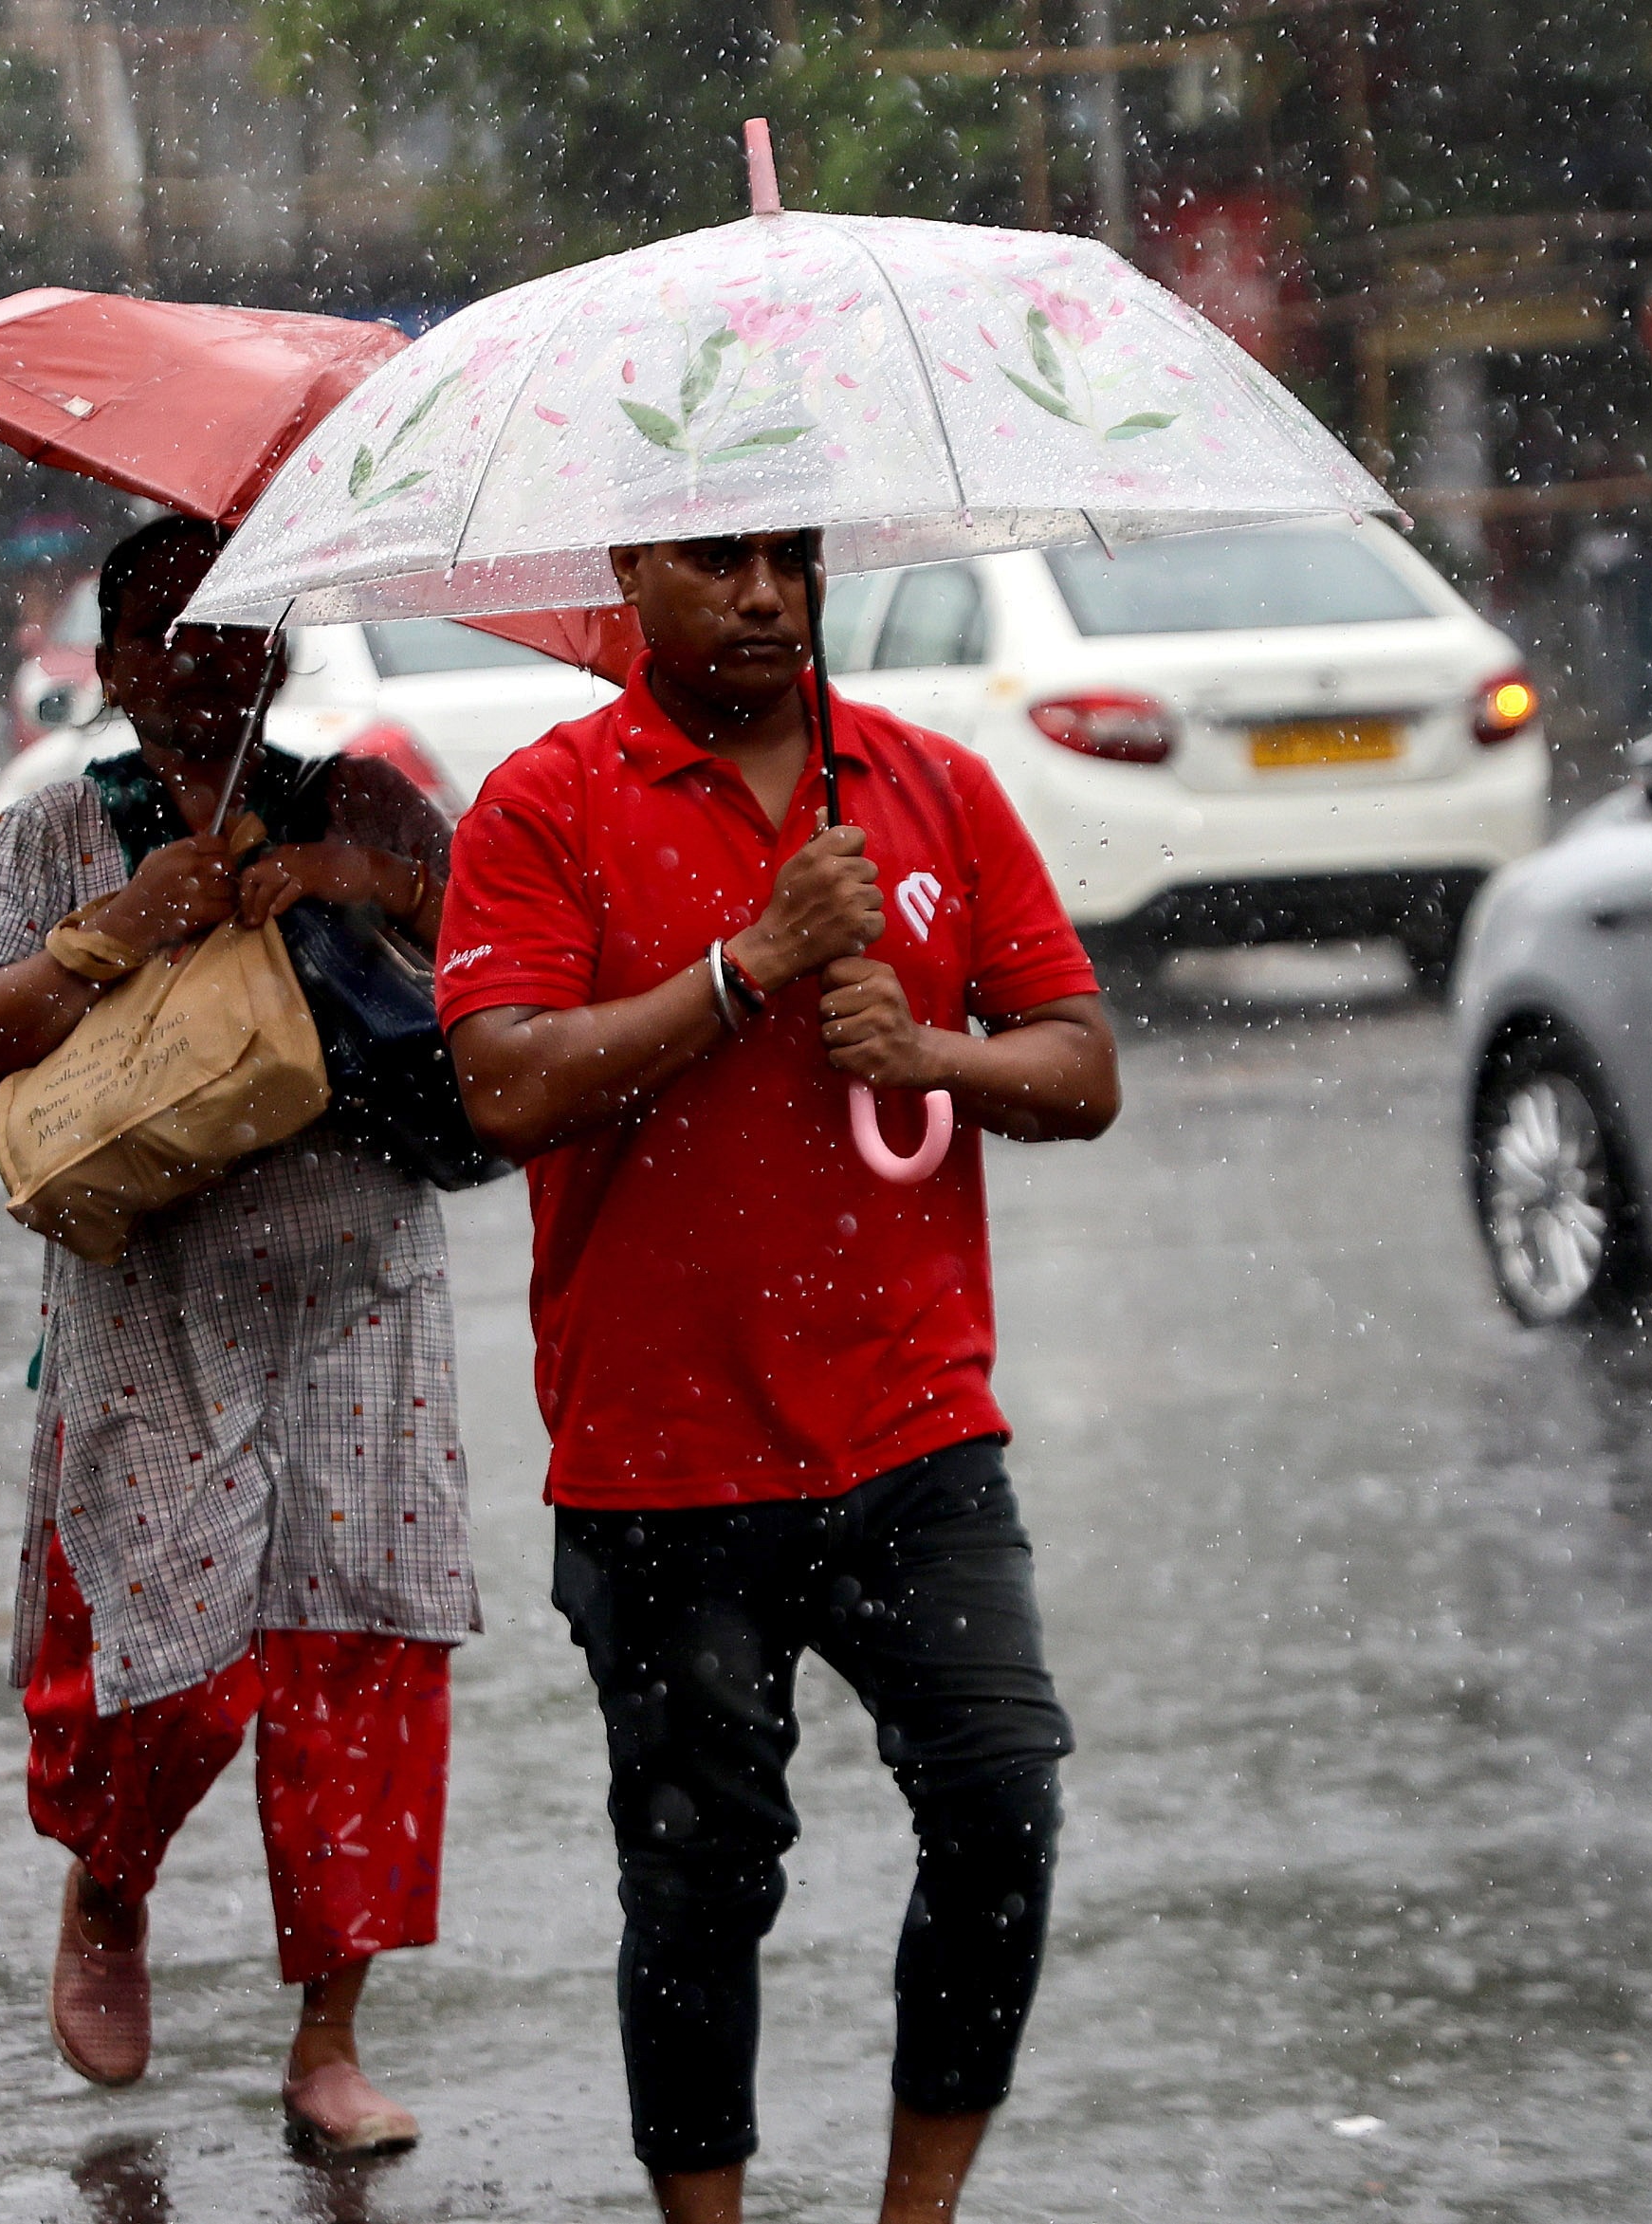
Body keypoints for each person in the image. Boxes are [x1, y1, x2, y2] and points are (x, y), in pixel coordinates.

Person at [436, 532, 1121, 2224]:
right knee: (695, 1884)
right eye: (712, 562)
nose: (758, 596)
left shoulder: (929, 786)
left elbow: (1081, 1066)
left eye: (784, 563)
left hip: (913, 1426)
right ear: (628, 578)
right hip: (660, 1455)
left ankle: (917, 2212)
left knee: (996, 1804)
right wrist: (743, 971)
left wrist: (934, 1053)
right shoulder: (541, 806)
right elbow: (504, 1089)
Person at [0, 517, 473, 2157]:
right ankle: (109, 1883)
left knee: (358, 1647)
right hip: (146, 1300)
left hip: (361, 1284)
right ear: (108, 664)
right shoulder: (41, 837)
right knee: (176, 1670)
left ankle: (328, 2038)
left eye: (232, 624)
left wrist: (356, 884)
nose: (199, 658)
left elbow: (500, 962)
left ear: (279, 645)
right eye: (158, 630)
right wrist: (115, 935)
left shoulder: (363, 796)